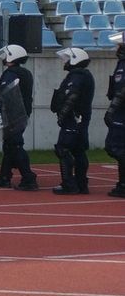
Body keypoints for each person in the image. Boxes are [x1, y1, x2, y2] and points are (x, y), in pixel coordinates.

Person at [0, 44, 38, 191]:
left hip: (13, 115)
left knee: (15, 145)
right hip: (21, 114)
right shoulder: (25, 73)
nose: (4, 58)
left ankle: (28, 178)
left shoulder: (11, 73)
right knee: (10, 145)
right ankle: (4, 176)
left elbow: (4, 95)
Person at [50, 47, 94, 195]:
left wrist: (63, 114)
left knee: (64, 149)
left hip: (74, 118)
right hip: (80, 118)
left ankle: (69, 184)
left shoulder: (77, 76)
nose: (65, 61)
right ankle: (81, 184)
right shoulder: (82, 75)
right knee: (78, 150)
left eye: (68, 58)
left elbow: (72, 96)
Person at [104, 31, 125, 198]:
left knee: (115, 146)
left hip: (121, 113)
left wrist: (112, 109)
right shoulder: (121, 63)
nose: (117, 48)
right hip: (119, 111)